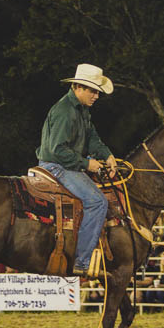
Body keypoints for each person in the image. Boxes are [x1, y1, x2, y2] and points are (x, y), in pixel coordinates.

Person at [35, 63, 117, 278]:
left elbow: (92, 138)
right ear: (78, 87)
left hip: (68, 163)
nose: (96, 95)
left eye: (98, 91)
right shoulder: (65, 111)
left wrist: (107, 155)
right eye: (93, 90)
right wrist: (87, 164)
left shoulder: (81, 111)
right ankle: (82, 261)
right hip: (57, 165)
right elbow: (58, 150)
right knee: (98, 201)